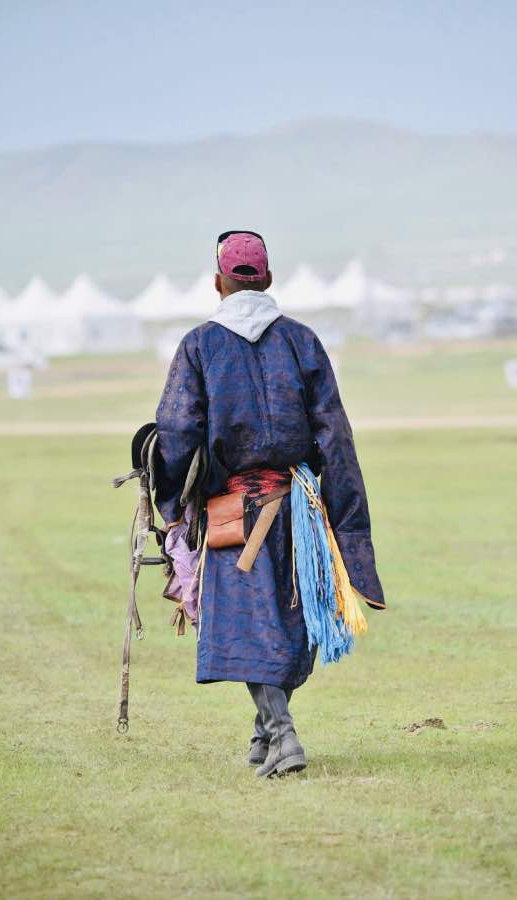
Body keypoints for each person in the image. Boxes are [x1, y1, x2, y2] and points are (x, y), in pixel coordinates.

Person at [154, 230, 385, 778]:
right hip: (300, 507)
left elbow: (176, 429)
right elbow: (336, 434)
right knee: (288, 621)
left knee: (251, 625)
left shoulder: (199, 345)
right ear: (271, 279)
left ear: (218, 283)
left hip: (235, 510)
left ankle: (282, 737)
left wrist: (172, 506)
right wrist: (345, 513)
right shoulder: (301, 341)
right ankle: (266, 733)